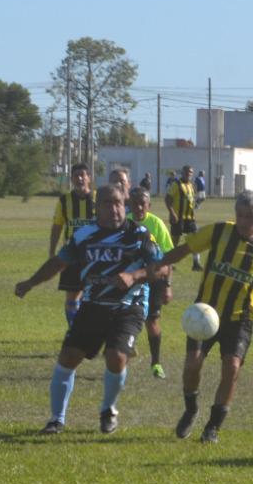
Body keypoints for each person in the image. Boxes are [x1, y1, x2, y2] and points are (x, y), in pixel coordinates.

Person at [15, 183, 162, 435]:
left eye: (119, 203)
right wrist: (30, 283)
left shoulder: (140, 235)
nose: (115, 209)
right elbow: (58, 263)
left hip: (129, 306)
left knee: (116, 358)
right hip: (93, 305)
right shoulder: (84, 236)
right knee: (68, 358)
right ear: (97, 208)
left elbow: (162, 268)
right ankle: (56, 420)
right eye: (108, 203)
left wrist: (134, 276)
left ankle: (108, 409)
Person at [157, 192, 253, 443]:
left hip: (239, 319)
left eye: (249, 217)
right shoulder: (219, 232)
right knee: (192, 364)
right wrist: (158, 266)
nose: (242, 221)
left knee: (231, 368)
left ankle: (213, 427)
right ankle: (191, 409)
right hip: (204, 314)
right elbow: (185, 250)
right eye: (239, 215)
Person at [128, 185, 174, 379]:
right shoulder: (123, 222)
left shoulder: (156, 224)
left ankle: (156, 363)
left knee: (152, 320)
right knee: (124, 318)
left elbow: (169, 256)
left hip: (155, 279)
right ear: (129, 204)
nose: (139, 208)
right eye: (135, 204)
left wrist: (168, 286)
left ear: (149, 205)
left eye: (143, 204)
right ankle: (123, 358)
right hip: (130, 278)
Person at [49, 162, 97, 327]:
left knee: (95, 295)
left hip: (96, 255)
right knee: (72, 296)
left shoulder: (99, 199)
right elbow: (57, 226)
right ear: (71, 179)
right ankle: (74, 330)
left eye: (83, 175)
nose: (80, 178)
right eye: (76, 176)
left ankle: (92, 328)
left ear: (89, 178)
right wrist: (52, 252)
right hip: (72, 255)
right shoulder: (65, 201)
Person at [166, 165, 202, 271]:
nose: (188, 174)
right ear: (182, 172)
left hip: (190, 218)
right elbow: (168, 199)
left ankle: (196, 263)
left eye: (190, 172)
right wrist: (172, 213)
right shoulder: (176, 184)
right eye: (186, 172)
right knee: (174, 241)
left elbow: (190, 200)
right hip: (178, 218)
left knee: (196, 239)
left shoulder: (191, 185)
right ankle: (169, 263)